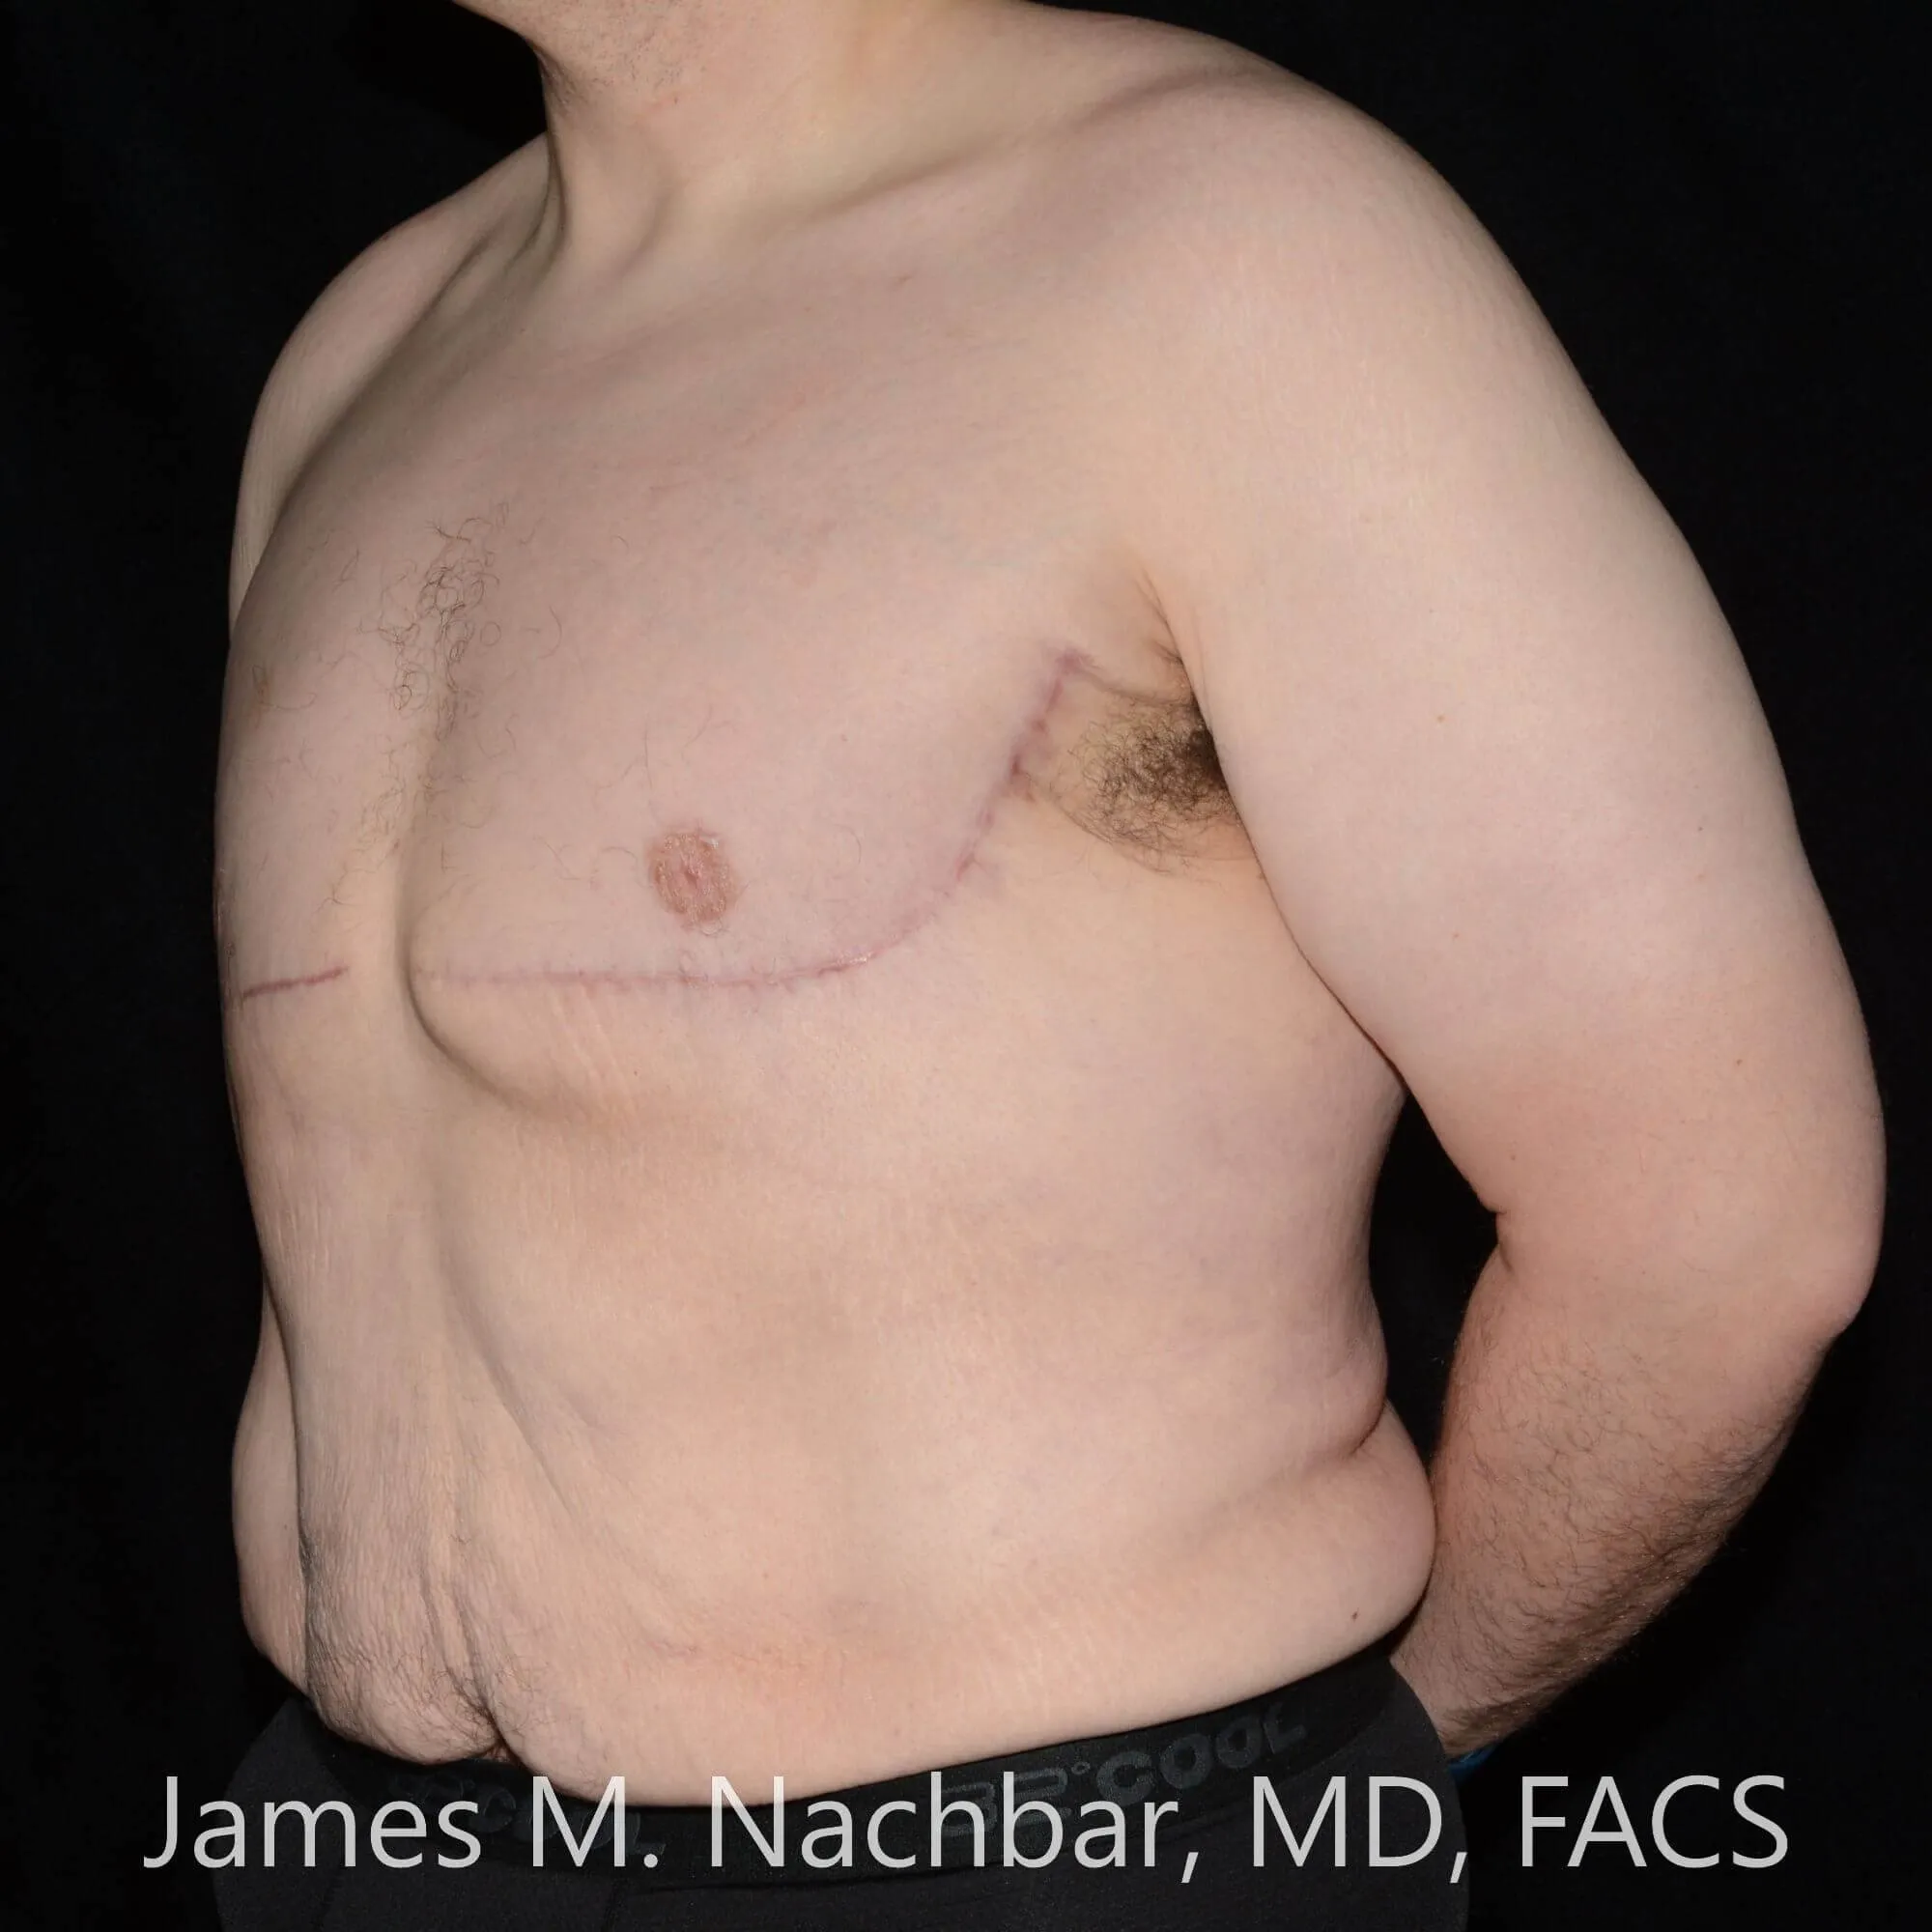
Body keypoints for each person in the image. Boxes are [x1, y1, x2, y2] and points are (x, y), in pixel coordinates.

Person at [207, 2, 1884, 1926]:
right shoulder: (360, 353)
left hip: (1050, 1858)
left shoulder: (1223, 257)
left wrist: (1353, 1794)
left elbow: (1719, 1216)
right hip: (359, 1848)